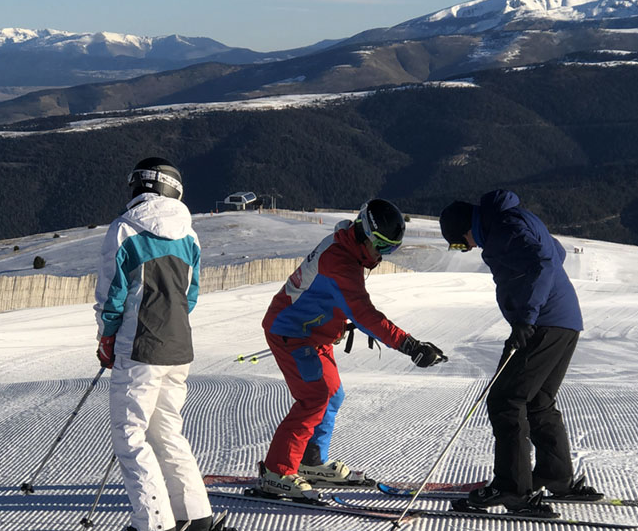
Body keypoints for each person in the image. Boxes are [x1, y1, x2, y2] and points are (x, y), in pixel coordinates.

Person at [90, 156, 246, 531]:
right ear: (174, 189)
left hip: (139, 346)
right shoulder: (189, 236)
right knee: (167, 432)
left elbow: (112, 294)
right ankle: (195, 518)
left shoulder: (125, 230)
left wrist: (107, 337)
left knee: (130, 434)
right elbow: (190, 296)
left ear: (140, 188)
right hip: (179, 348)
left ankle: (154, 523)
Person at [258, 199, 446, 498]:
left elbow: (335, 298)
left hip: (313, 332)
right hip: (291, 332)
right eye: (382, 248)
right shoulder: (340, 262)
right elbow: (364, 313)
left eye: (391, 250)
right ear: (366, 235)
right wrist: (410, 346)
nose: (383, 257)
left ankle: (310, 461)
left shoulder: (347, 246)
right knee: (314, 397)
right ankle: (277, 471)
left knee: (332, 394)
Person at [439, 190, 602, 514]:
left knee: (506, 400)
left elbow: (542, 262)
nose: (467, 248)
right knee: (538, 401)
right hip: (566, 321)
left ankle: (512, 488)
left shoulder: (503, 229)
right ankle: (557, 479)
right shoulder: (516, 219)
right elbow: (556, 252)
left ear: (466, 228)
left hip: (542, 323)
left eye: (459, 243)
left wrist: (527, 316)